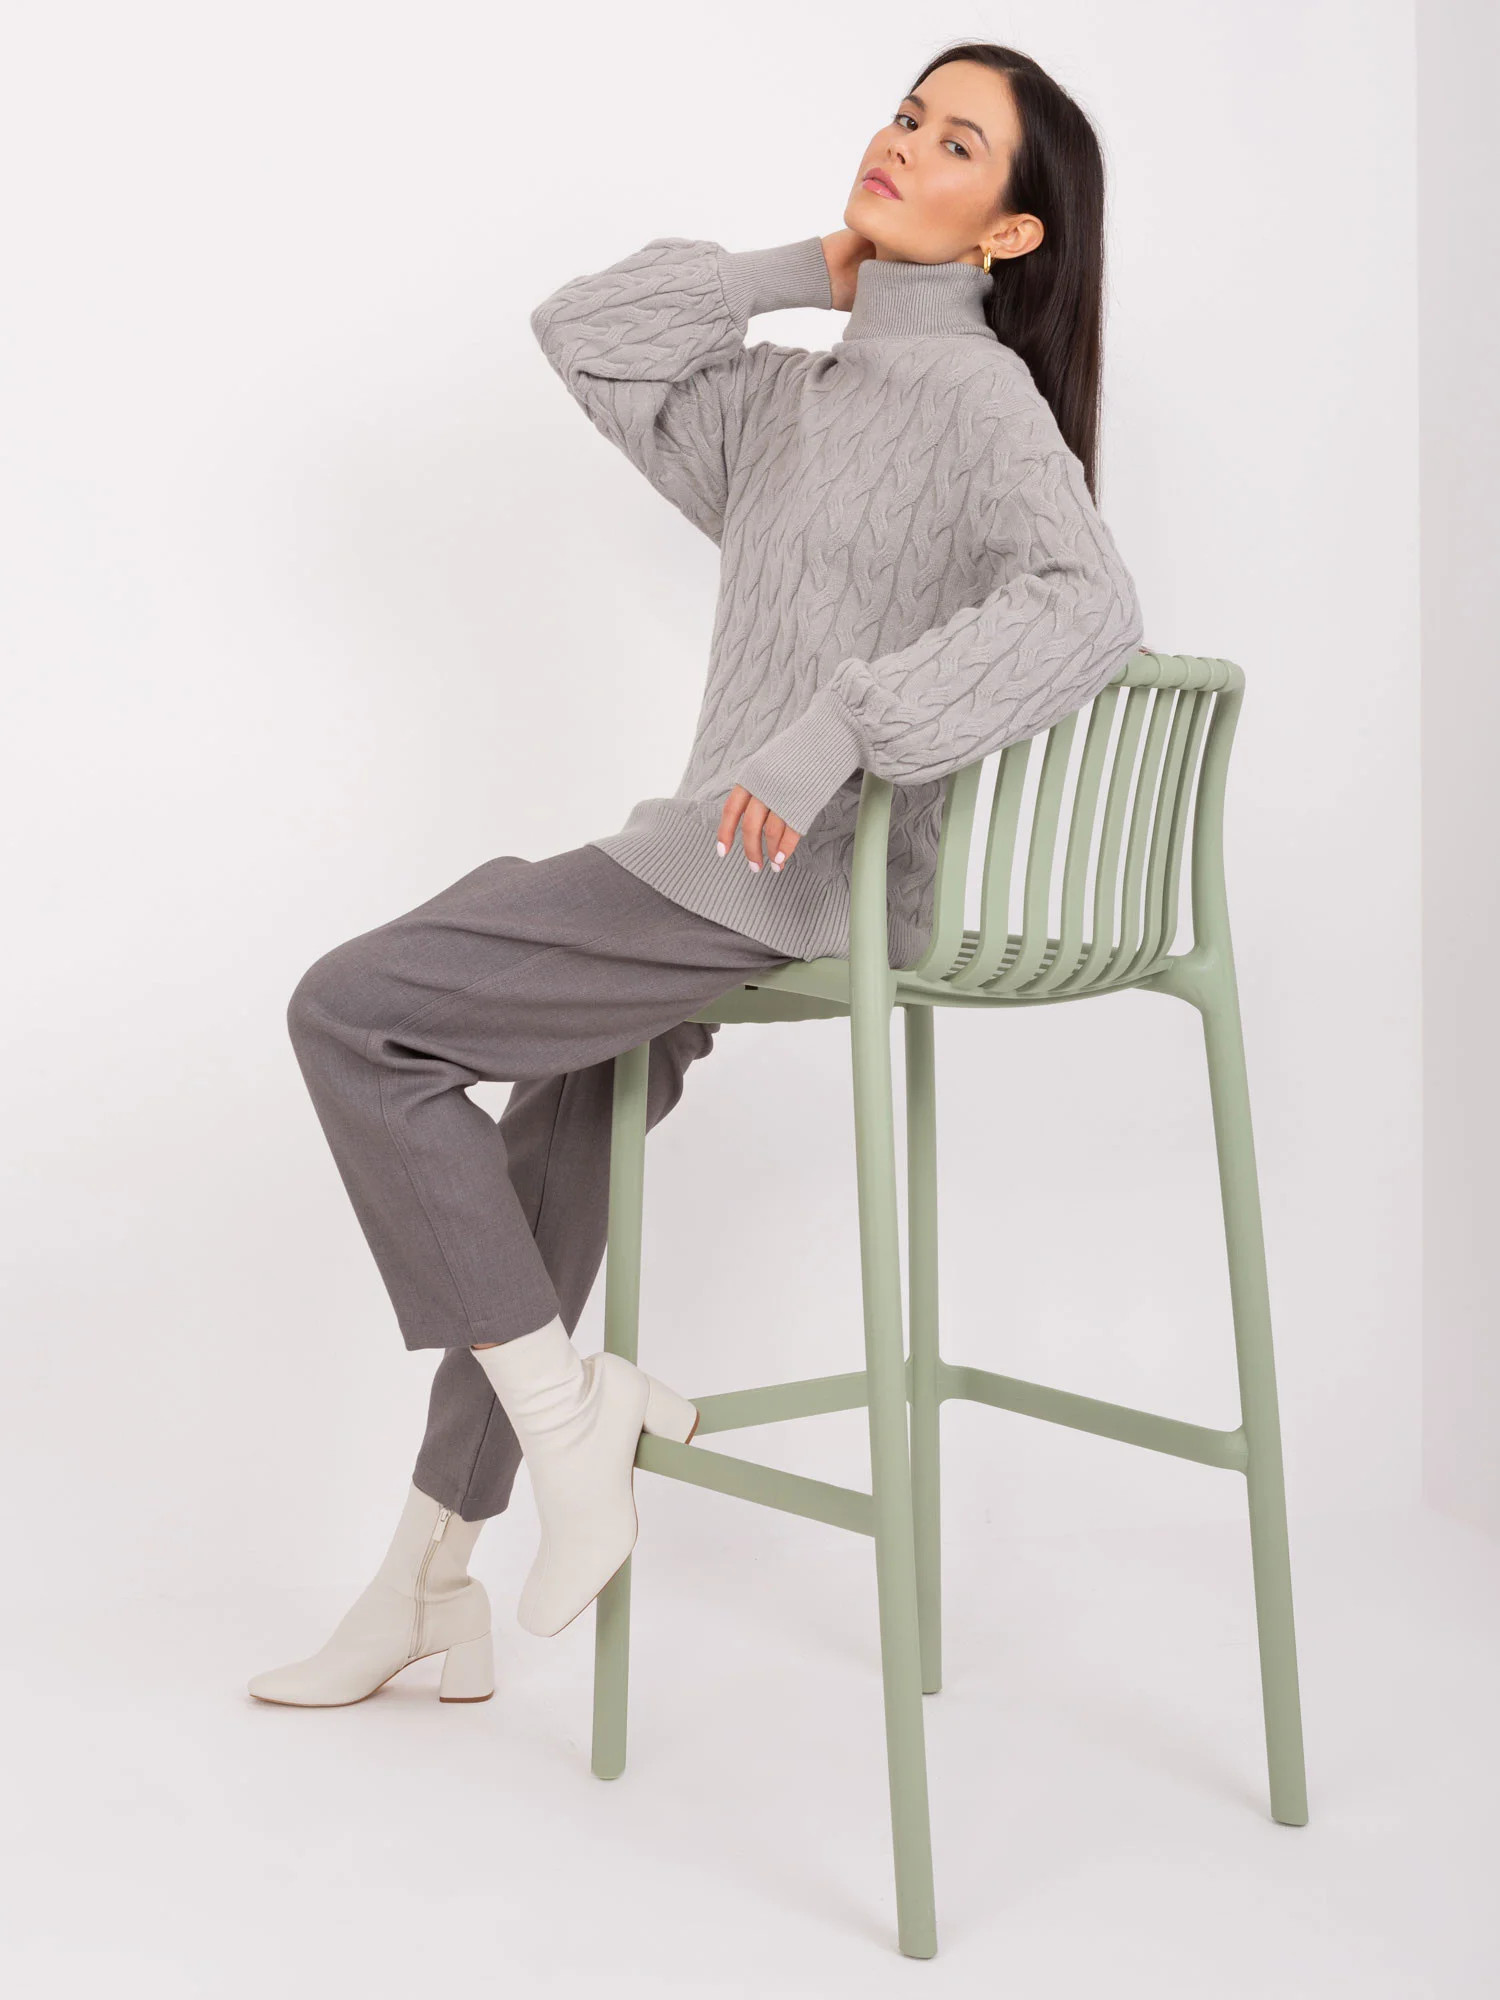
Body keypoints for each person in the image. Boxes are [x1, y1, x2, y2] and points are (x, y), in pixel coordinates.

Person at [247, 39, 1144, 1707]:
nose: (904, 144)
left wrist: (839, 733)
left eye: (957, 144)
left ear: (1011, 232)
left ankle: (573, 1426)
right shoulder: (793, 399)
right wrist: (813, 266)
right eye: (906, 115)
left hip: (777, 875)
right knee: (553, 1139)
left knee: (356, 1017)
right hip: (712, 864)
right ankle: (427, 1582)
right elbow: (583, 331)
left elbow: (1090, 606)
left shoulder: (979, 402)